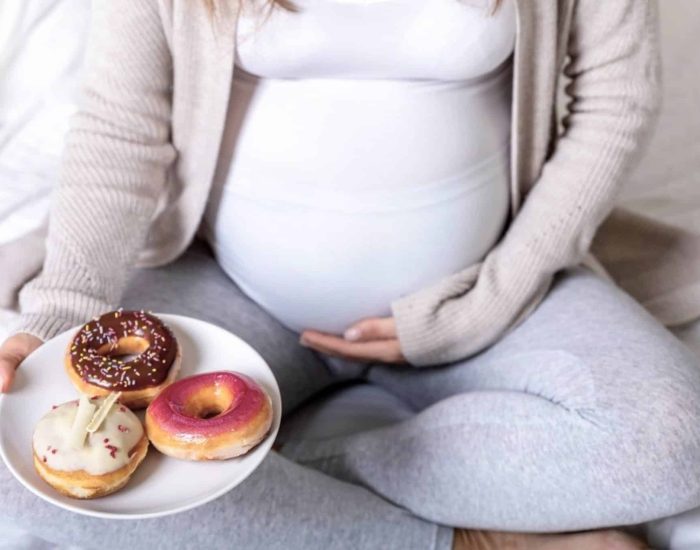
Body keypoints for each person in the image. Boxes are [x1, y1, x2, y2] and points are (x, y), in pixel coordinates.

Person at [1, 0, 698, 548]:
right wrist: (61, 314)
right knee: (12, 471)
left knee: (673, 444)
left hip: (490, 292)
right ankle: (467, 541)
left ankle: (287, 471)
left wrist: (483, 305)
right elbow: (121, 127)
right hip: (236, 290)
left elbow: (616, 103)